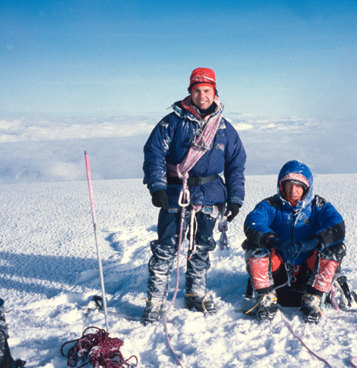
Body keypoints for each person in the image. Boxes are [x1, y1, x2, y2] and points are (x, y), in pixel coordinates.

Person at [142, 67, 246, 324]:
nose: (202, 95)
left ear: (215, 93)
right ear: (190, 92)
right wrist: (157, 187)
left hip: (210, 195)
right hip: (176, 193)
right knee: (166, 248)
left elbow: (235, 165)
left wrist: (235, 198)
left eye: (206, 90)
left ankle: (195, 292)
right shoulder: (172, 123)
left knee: (201, 247)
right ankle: (155, 300)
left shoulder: (225, 129)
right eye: (197, 90)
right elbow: (154, 154)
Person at [242, 160, 346, 323]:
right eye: (288, 185)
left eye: (298, 186)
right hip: (278, 270)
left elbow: (337, 226)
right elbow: (253, 222)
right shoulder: (271, 205)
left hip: (308, 270)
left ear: (307, 187)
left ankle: (314, 297)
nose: (293, 190)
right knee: (254, 244)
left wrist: (314, 242)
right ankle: (266, 296)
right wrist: (273, 240)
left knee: (335, 247)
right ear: (280, 185)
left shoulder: (319, 206)